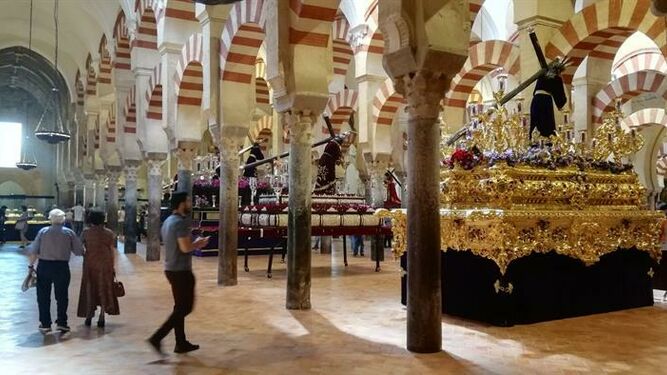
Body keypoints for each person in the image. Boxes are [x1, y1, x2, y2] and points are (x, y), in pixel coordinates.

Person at [148, 192, 209, 355]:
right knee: (185, 308)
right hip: (181, 270)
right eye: (188, 201)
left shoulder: (168, 221)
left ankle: (180, 342)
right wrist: (198, 243)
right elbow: (185, 247)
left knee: (179, 307)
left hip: (171, 268)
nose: (190, 203)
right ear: (181, 204)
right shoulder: (180, 223)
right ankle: (157, 337)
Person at [28, 209, 84, 334]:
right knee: (62, 296)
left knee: (43, 296)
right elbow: (79, 251)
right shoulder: (69, 233)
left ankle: (45, 323)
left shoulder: (43, 232)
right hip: (62, 267)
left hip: (44, 266)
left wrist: (31, 266)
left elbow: (34, 251)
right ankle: (62, 323)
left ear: (50, 219)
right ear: (63, 219)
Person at [77, 209, 119, 328]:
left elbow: (80, 248)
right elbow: (111, 250)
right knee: (104, 288)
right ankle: (102, 316)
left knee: (90, 287)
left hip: (90, 263)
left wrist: (86, 253)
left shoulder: (86, 233)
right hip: (105, 263)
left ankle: (89, 316)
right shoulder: (109, 233)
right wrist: (112, 265)